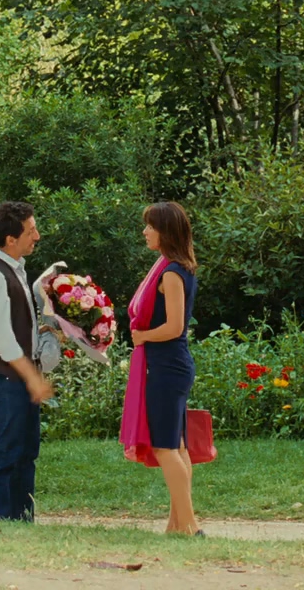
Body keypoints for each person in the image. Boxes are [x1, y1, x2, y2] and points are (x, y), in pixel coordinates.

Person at [0, 201, 54, 521]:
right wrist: (32, 378)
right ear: (10, 239)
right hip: (8, 378)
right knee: (7, 453)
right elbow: (3, 341)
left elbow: (18, 326)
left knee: (26, 452)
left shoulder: (16, 269)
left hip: (20, 375)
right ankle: (1, 522)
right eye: (31, 231)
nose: (37, 236)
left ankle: (22, 519)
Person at [129, 201, 201, 535]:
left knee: (165, 448)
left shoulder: (171, 273)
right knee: (178, 447)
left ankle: (189, 526)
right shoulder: (176, 267)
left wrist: (141, 335)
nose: (145, 232)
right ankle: (177, 525)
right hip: (170, 365)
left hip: (167, 367)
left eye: (150, 226)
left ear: (165, 232)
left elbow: (174, 327)